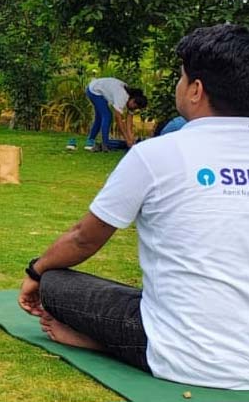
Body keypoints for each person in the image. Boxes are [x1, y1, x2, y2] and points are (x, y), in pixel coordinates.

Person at [18, 24, 249, 390]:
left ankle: (105, 342)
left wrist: (36, 270)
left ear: (196, 90)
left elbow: (83, 239)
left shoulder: (157, 154)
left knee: (54, 282)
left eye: (181, 77)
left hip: (181, 353)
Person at [85, 77, 147, 151]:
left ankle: (91, 140)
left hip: (99, 90)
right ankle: (105, 144)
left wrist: (130, 138)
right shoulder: (122, 96)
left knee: (100, 117)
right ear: (133, 100)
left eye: (136, 108)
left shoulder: (131, 99)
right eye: (134, 106)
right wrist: (126, 139)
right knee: (107, 115)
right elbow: (118, 119)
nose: (133, 108)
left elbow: (129, 122)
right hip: (94, 90)